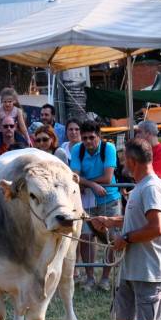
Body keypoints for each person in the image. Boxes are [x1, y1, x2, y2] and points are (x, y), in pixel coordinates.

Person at [91, 138, 161, 320]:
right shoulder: (140, 188)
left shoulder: (151, 188)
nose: (123, 164)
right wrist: (112, 220)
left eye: (125, 159)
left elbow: (155, 227)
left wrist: (124, 239)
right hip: (131, 268)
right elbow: (139, 218)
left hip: (149, 269)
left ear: (134, 162)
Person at [70, 120, 120, 291]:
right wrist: (92, 185)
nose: (88, 141)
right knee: (85, 237)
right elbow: (74, 177)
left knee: (111, 239)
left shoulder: (109, 149)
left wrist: (86, 183)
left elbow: (107, 178)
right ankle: (89, 277)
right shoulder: (78, 149)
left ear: (99, 136)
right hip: (87, 200)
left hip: (109, 199)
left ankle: (105, 279)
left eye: (92, 137)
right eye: (85, 138)